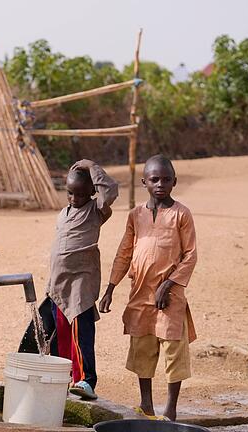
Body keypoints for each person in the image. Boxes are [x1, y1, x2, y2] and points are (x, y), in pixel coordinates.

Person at [99, 154, 198, 422]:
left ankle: (171, 409)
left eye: (166, 179)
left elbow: (190, 255)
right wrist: (110, 288)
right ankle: (146, 404)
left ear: (174, 181)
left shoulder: (181, 214)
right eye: (155, 179)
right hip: (140, 292)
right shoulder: (135, 215)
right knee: (142, 346)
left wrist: (168, 284)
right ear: (144, 182)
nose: (160, 184)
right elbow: (124, 252)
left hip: (171, 295)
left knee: (173, 349)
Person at [19, 159, 118, 401]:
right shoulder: (63, 213)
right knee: (60, 335)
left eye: (81, 194)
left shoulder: (96, 212)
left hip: (80, 284)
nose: (74, 198)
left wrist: (92, 166)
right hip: (58, 285)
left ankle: (86, 380)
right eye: (70, 193)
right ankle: (63, 376)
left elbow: (111, 190)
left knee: (81, 332)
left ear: (92, 192)